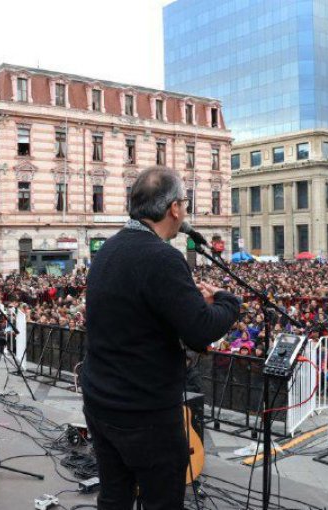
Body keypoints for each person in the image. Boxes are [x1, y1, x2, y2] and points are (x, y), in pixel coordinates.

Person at [80, 166, 241, 510]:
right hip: (144, 412)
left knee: (114, 497)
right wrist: (229, 302)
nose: (185, 208)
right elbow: (201, 331)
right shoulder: (163, 257)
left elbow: (138, 317)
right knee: (162, 502)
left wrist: (189, 306)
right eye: (185, 201)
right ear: (174, 209)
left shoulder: (108, 250)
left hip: (101, 402)